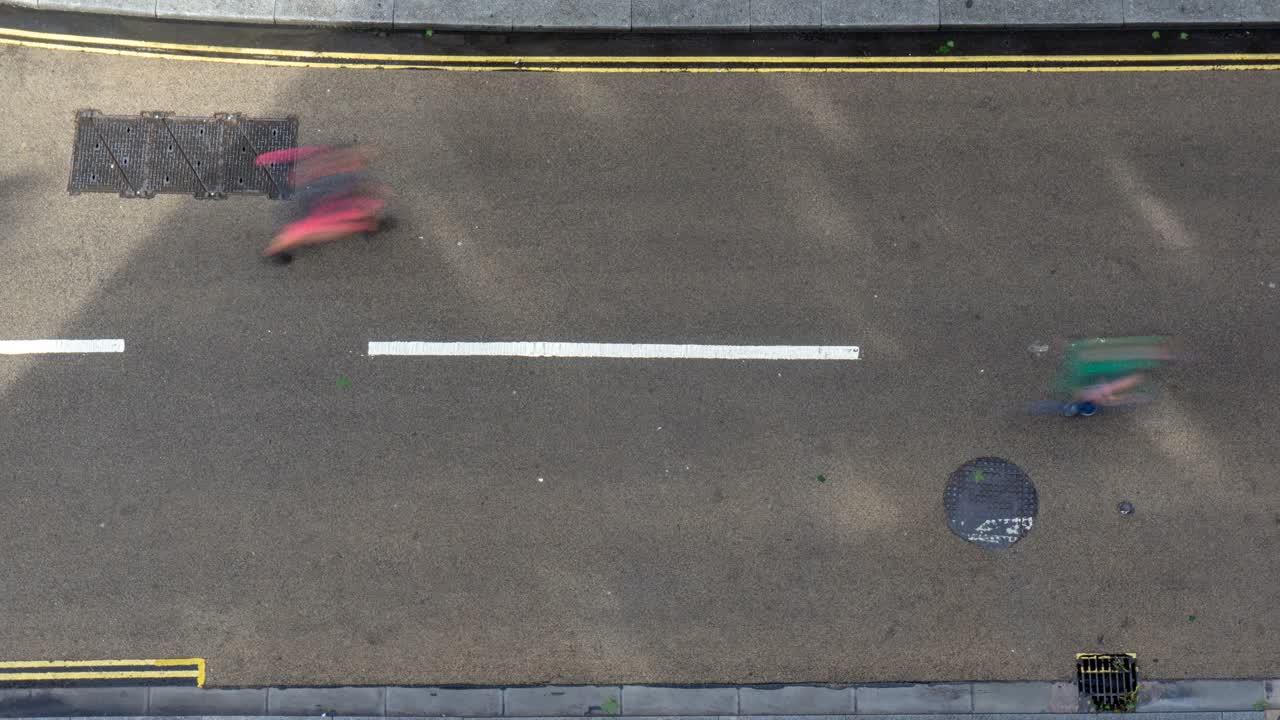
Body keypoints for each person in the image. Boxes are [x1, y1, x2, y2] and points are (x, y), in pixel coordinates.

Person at [254, 144, 388, 259]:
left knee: (305, 231)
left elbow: (300, 153)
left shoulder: (335, 159)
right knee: (304, 233)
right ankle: (276, 251)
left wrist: (267, 158)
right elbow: (323, 226)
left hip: (308, 192)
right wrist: (363, 225)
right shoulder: (347, 202)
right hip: (307, 207)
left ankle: (280, 247)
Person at [1052, 336, 1173, 416]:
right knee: (1096, 393)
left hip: (1100, 381)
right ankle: (1079, 403)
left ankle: (1077, 404)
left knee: (1092, 394)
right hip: (1101, 379)